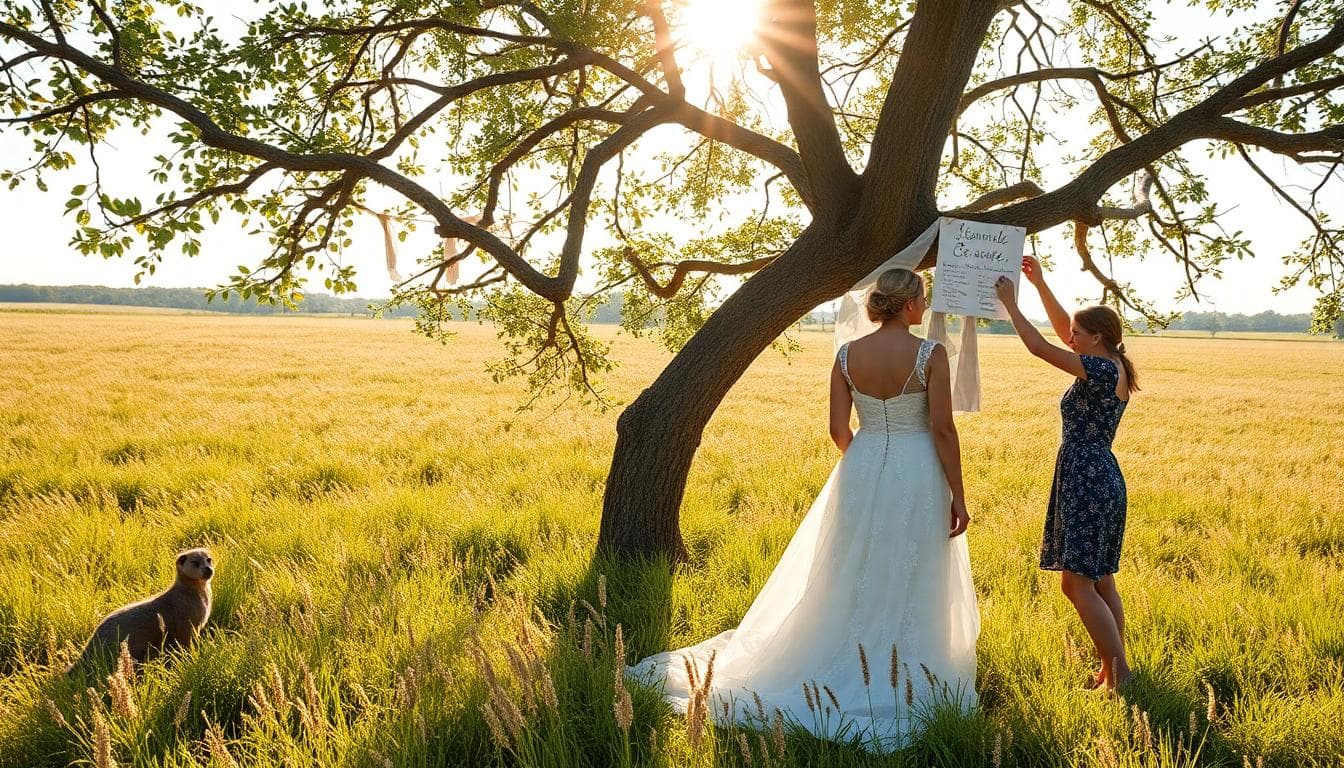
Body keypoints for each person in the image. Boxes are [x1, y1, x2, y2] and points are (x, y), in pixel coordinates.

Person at [628, 268, 979, 750]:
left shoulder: (846, 355)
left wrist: (868, 460)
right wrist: (958, 493)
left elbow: (839, 430)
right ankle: (903, 661)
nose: (926, 301)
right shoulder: (929, 354)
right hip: (917, 469)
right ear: (909, 304)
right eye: (923, 294)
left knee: (849, 566)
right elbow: (942, 428)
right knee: (912, 563)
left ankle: (838, 652)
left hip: (860, 466)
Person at [994, 256, 1139, 691]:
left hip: (1087, 480)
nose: (1070, 337)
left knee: (1076, 585)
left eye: (1078, 333)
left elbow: (1041, 346)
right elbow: (1062, 333)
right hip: (1099, 475)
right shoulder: (1111, 362)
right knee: (1100, 579)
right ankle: (1113, 668)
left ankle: (1120, 675)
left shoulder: (1095, 368)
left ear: (1096, 338)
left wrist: (1011, 303)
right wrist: (1039, 284)